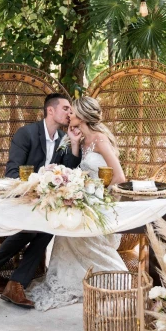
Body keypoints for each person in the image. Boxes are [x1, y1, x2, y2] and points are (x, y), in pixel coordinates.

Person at [27, 96, 127, 311]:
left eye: (72, 112)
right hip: (83, 199)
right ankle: (72, 280)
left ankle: (111, 278)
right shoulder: (79, 139)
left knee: (73, 225)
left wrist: (99, 198)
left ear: (81, 115)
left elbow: (119, 177)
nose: (68, 115)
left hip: (99, 203)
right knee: (64, 226)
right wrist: (73, 143)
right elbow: (72, 170)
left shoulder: (100, 139)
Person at [0, 93, 82, 308]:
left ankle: (8, 279)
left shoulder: (64, 138)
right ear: (50, 110)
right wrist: (42, 173)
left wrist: (75, 143)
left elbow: (70, 170)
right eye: (66, 108)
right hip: (21, 198)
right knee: (41, 228)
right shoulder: (26, 134)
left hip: (45, 201)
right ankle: (7, 278)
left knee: (48, 225)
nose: (70, 113)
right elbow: (12, 172)